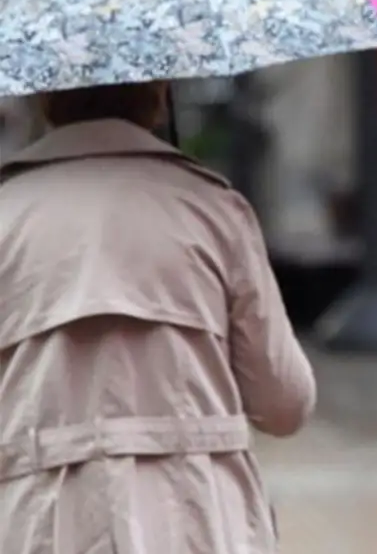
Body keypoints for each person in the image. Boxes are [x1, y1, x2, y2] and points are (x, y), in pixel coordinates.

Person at [0, 82, 316, 553]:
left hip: (38, 524)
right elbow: (284, 403)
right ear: (158, 94)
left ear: (46, 98)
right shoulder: (213, 208)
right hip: (197, 519)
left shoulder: (7, 213)